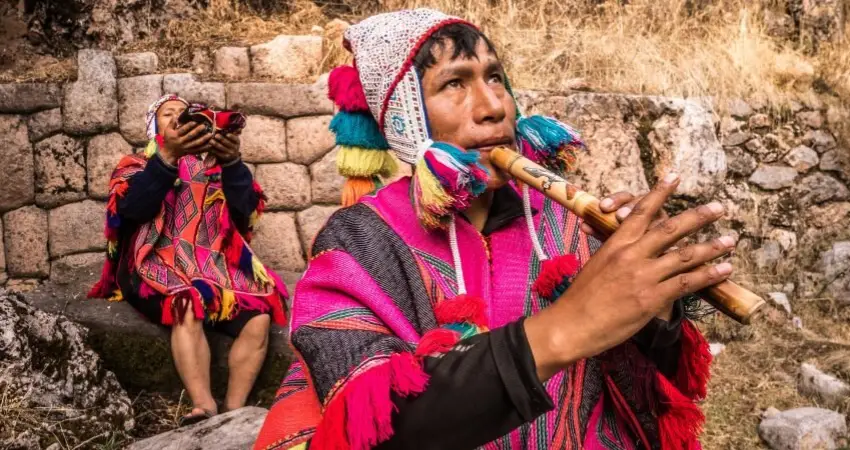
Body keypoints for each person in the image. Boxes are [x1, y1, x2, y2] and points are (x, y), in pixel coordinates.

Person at [254, 9, 730, 450]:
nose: (493, 107)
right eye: (454, 84)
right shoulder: (358, 239)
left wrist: (657, 300)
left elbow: (643, 379)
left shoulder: (564, 221)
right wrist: (568, 328)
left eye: (495, 78)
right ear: (407, 118)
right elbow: (374, 423)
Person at [89, 94, 288, 426]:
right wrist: (167, 157)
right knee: (186, 302)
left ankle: (235, 411)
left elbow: (242, 216)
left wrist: (233, 162)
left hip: (211, 265)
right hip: (155, 261)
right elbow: (131, 211)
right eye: (168, 115)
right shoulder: (136, 165)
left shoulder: (215, 169)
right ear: (156, 129)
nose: (178, 118)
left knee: (259, 315)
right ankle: (204, 405)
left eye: (184, 115)